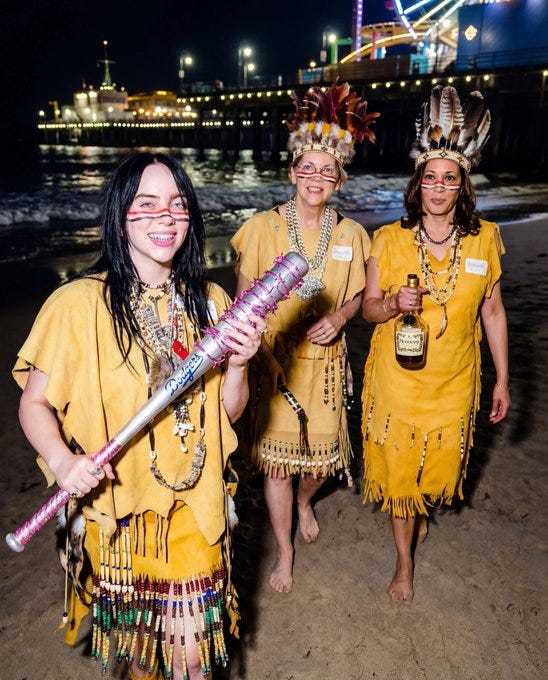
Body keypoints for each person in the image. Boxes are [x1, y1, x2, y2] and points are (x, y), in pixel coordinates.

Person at [13, 152, 266, 680]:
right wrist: (61, 461)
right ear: (119, 214)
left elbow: (229, 413)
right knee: (142, 655)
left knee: (191, 660)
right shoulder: (78, 304)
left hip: (196, 508)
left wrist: (240, 365)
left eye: (176, 204)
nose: (165, 217)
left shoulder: (212, 301)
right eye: (146, 205)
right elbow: (34, 404)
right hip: (119, 517)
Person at [361, 86, 511, 603]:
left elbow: (493, 311)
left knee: (434, 476)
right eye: (430, 177)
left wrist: (503, 380)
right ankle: (403, 562)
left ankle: (418, 514)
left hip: (455, 379)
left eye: (449, 178)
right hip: (398, 380)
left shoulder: (485, 238)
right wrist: (392, 304)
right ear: (417, 182)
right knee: (401, 478)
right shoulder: (389, 239)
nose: (438, 187)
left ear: (462, 184)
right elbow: (368, 309)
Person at [230, 82, 379, 594]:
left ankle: (303, 500)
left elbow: (359, 297)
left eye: (327, 170)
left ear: (339, 179)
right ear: (292, 172)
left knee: (322, 462)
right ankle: (286, 550)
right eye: (307, 168)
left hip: (328, 366)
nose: (316, 177)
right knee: (276, 465)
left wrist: (340, 317)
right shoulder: (261, 228)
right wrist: (257, 354)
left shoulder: (352, 235)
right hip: (274, 362)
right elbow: (244, 302)